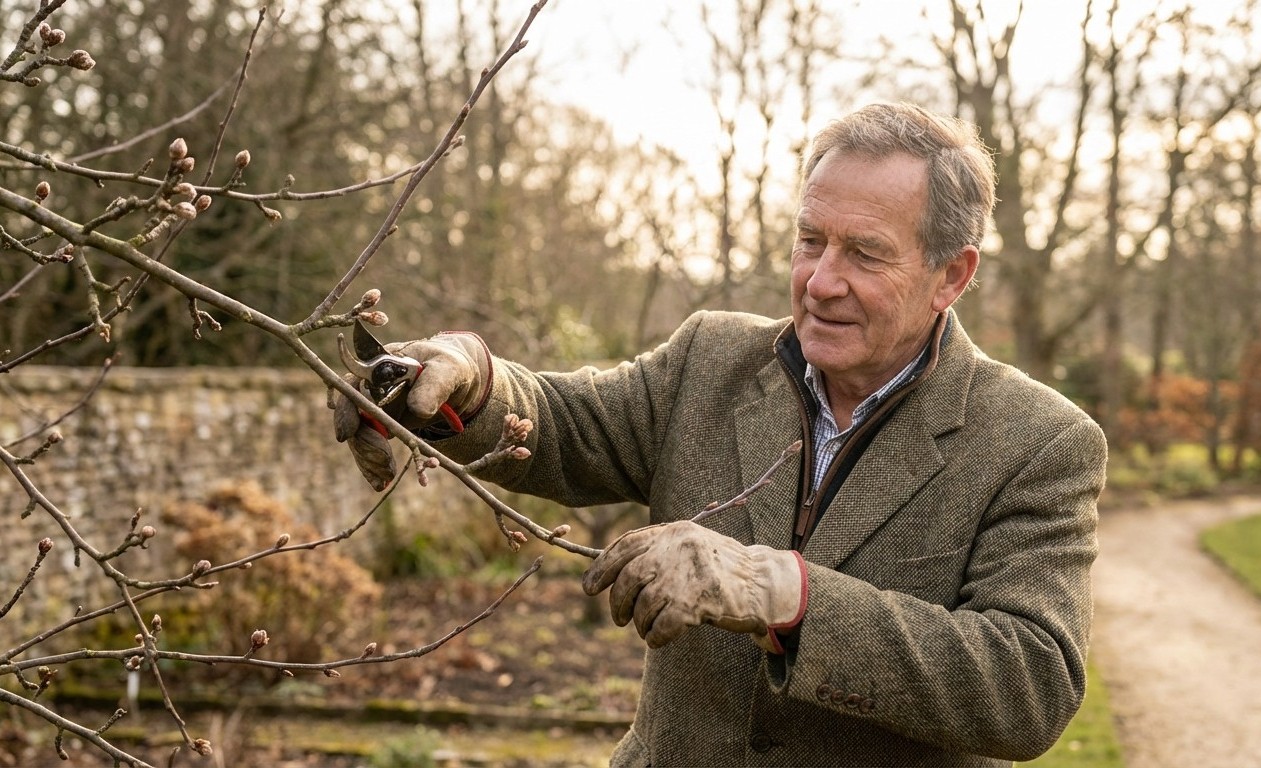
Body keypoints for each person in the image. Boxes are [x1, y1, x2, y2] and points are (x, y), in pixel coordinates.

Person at [331, 101, 1107, 766]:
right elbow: (564, 424)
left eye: (865, 253)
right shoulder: (711, 360)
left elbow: (1027, 683)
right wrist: (466, 380)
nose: (820, 280)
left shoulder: (1036, 443)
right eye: (811, 240)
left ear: (952, 276)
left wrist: (785, 594)